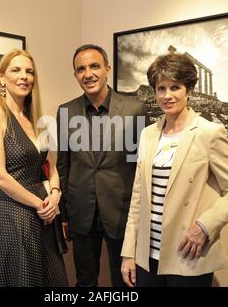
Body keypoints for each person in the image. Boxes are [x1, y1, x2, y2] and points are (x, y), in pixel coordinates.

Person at [121, 52, 228, 287]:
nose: (167, 95)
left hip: (187, 254)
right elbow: (138, 198)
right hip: (147, 257)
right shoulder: (148, 134)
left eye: (175, 87)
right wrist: (129, 252)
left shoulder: (208, 133)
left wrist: (204, 226)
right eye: (161, 88)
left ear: (189, 89)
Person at [56, 44, 148, 287]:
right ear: (75, 75)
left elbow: (141, 167)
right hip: (81, 213)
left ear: (107, 69)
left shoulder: (135, 110)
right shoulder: (65, 111)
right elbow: (63, 166)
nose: (88, 74)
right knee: (85, 281)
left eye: (94, 66)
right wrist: (65, 214)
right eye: (81, 69)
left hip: (122, 213)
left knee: (125, 281)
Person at [0, 49, 68, 287]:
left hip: (44, 215)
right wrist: (40, 204)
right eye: (16, 70)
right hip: (13, 217)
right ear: (2, 77)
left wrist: (55, 194)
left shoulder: (36, 120)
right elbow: (0, 176)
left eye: (29, 71)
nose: (24, 77)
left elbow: (50, 165)